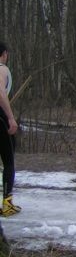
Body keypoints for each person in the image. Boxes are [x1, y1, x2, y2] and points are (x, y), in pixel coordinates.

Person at [0, 41, 19, 217]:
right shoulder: (2, 69)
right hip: (0, 119)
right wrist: (10, 117)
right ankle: (7, 203)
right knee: (8, 160)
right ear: (4, 53)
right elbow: (0, 92)